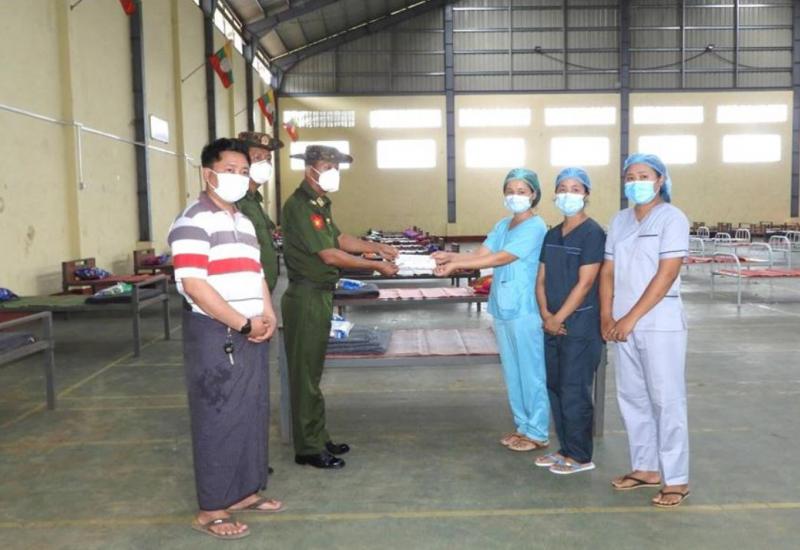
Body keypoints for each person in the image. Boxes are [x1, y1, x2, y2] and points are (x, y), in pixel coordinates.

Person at [168, 138, 282, 540]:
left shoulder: (245, 221)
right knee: (217, 418)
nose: (238, 177)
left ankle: (244, 492)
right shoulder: (192, 221)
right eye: (229, 170)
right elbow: (194, 285)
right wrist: (242, 324)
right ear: (208, 174)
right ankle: (212, 509)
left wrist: (267, 314)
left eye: (243, 171)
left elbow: (256, 275)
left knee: (250, 412)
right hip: (217, 332)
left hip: (251, 328)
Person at [282, 145, 400, 469]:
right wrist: (375, 265)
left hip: (319, 295)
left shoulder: (319, 204)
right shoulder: (300, 206)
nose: (333, 172)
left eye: (336, 167)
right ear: (310, 169)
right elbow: (330, 255)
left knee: (313, 372)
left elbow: (339, 239)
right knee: (305, 375)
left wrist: (376, 247)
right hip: (306, 297)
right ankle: (308, 447)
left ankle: (318, 436)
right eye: (326, 167)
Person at [433, 168, 549, 452]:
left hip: (524, 308)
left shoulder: (535, 227)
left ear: (534, 194)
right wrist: (450, 256)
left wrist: (456, 265)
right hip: (503, 306)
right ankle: (523, 426)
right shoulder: (503, 225)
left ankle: (538, 431)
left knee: (531, 371)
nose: (515, 196)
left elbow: (501, 258)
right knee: (512, 370)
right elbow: (482, 254)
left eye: (521, 191)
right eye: (510, 191)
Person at [599, 153, 691, 508]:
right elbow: (608, 271)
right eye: (630, 177)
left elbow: (666, 274)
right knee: (632, 396)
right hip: (621, 323)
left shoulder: (672, 218)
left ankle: (677, 479)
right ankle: (646, 468)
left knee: (666, 400)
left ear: (660, 180)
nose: (636, 182)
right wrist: (607, 315)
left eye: (644, 176)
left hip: (658, 323)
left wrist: (630, 318)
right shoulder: (619, 220)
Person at [535, 167, 606, 475]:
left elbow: (586, 283)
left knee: (574, 389)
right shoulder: (551, 234)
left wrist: (559, 317)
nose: (568, 194)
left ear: (586, 194)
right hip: (552, 323)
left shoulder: (593, 233)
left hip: (580, 325)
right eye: (563, 188)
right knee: (556, 386)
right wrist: (546, 315)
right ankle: (565, 448)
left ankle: (580, 456)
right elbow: (541, 279)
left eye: (576, 189)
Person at [236, 131, 283, 293]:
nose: (265, 163)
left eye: (268, 158)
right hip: (245, 292)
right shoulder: (235, 200)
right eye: (257, 157)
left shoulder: (254, 200)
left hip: (261, 293)